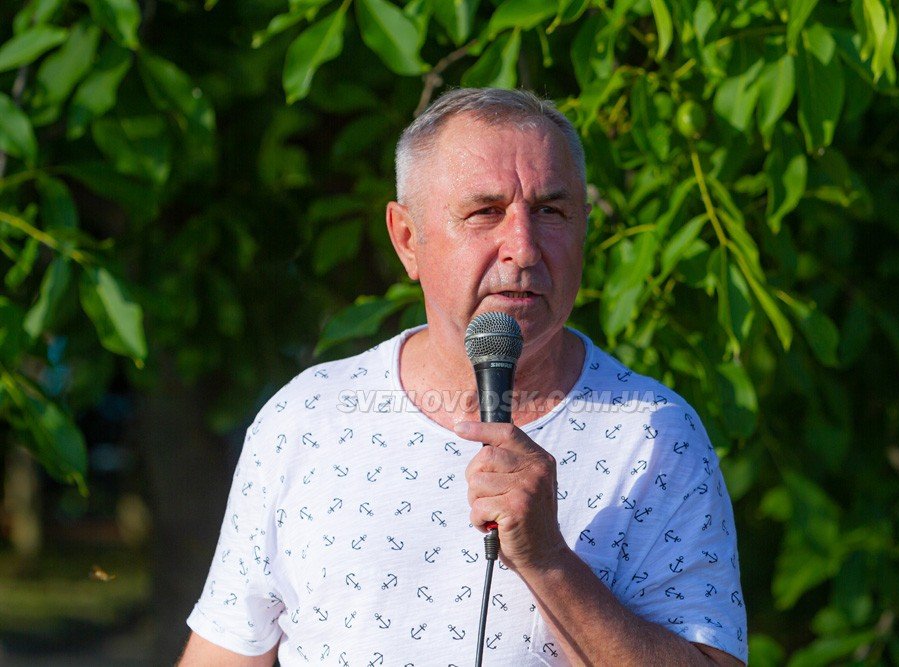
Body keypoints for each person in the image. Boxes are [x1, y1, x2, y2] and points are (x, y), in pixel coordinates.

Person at [179, 88, 747, 666]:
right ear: (408, 239)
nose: (524, 249)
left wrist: (549, 562)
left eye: (550, 212)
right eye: (485, 212)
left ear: (584, 229)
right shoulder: (306, 419)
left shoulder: (654, 434)